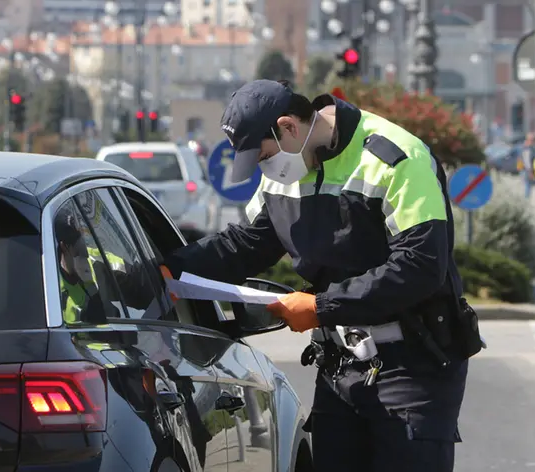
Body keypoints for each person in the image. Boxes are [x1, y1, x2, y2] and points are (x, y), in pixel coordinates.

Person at [160, 79, 481, 472]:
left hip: (413, 363)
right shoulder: (284, 170)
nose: (266, 167)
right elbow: (245, 245)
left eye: (263, 155)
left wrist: (322, 306)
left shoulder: (397, 157)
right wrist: (166, 268)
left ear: (289, 126)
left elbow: (420, 266)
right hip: (341, 366)